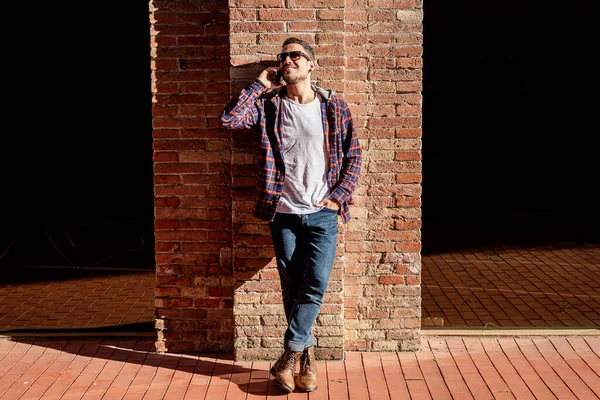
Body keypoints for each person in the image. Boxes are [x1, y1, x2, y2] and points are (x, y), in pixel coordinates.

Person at [219, 37, 362, 393]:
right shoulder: (270, 106)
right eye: (283, 57)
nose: (287, 61)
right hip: (282, 212)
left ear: (312, 64)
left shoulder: (333, 106)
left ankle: (288, 355)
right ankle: (306, 359)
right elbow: (230, 121)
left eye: (295, 55)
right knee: (292, 288)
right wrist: (259, 84)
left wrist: (338, 198)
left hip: (322, 214)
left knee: (314, 284)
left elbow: (354, 156)